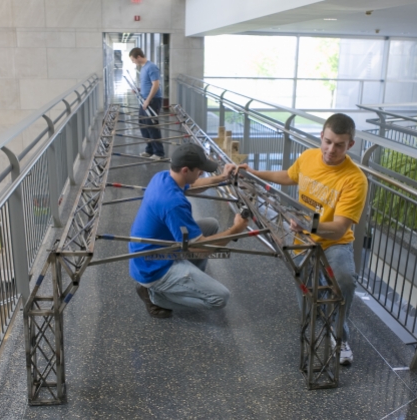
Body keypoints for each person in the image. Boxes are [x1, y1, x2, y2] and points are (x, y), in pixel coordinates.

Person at [239, 113, 367, 365]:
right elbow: (289, 176)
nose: (331, 149)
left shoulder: (355, 179)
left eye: (339, 145)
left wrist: (310, 224)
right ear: (321, 136)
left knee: (343, 281)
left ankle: (339, 337)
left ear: (350, 145)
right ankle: (312, 323)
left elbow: (340, 229)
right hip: (303, 238)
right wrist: (254, 173)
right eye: (328, 141)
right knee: (306, 288)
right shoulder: (308, 157)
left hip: (334, 243)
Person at [129, 143, 248, 319]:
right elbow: (199, 246)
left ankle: (188, 279)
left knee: (210, 224)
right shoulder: (173, 203)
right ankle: (156, 296)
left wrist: (222, 178)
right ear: (185, 170)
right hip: (154, 267)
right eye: (199, 169)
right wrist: (236, 230)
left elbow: (193, 186)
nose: (202, 172)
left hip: (152, 252)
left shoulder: (162, 177)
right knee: (220, 298)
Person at [129, 47, 165, 159]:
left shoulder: (151, 67)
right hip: (144, 99)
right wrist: (139, 89)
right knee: (143, 125)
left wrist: (148, 100)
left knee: (152, 126)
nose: (133, 62)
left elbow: (156, 85)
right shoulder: (144, 68)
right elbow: (148, 84)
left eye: (133, 60)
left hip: (152, 100)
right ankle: (149, 150)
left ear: (139, 57)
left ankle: (158, 153)